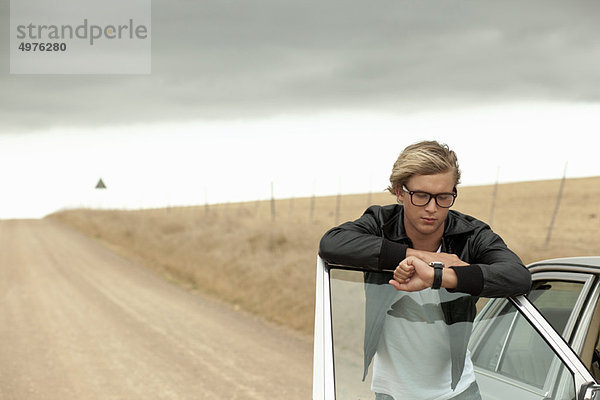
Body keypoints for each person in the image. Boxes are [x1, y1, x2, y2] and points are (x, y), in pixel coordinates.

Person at [319, 140, 531, 400]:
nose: (432, 208)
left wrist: (439, 276)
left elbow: (518, 276)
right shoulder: (380, 223)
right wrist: (417, 255)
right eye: (421, 196)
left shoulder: (471, 234)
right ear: (399, 191)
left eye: (444, 197)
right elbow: (331, 243)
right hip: (391, 392)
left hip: (459, 391)